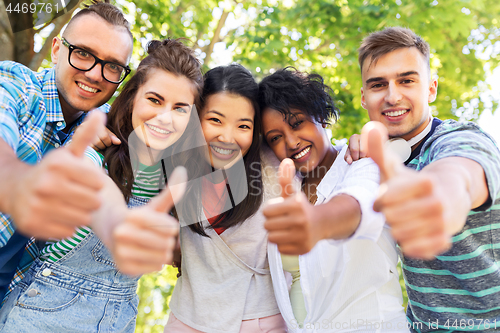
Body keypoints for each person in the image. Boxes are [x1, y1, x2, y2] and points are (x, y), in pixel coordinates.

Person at [0, 38, 201, 332]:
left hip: (117, 321)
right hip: (43, 314)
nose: (164, 117)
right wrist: (117, 222)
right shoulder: (97, 147)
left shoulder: (178, 178)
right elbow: (95, 186)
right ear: (133, 98)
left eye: (180, 108)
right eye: (154, 100)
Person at [348, 27, 500, 332]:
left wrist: (438, 201)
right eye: (379, 85)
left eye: (406, 80)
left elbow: (458, 176)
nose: (392, 96)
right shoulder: (376, 156)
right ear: (364, 98)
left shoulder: (461, 139)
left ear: (431, 88)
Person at [0, 0, 133, 302]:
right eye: (83, 53)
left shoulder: (108, 126)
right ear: (58, 49)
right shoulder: (17, 85)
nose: (95, 74)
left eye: (112, 65)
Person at [259, 68, 409, 332]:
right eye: (275, 138)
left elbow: (358, 204)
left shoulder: (364, 162)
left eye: (297, 123)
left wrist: (316, 221)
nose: (291, 141)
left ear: (320, 116)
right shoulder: (284, 188)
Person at [164, 64, 287, 333]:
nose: (227, 137)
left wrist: (356, 146)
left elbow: (325, 157)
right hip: (189, 319)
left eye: (243, 125)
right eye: (215, 120)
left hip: (263, 320)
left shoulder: (274, 164)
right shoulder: (173, 160)